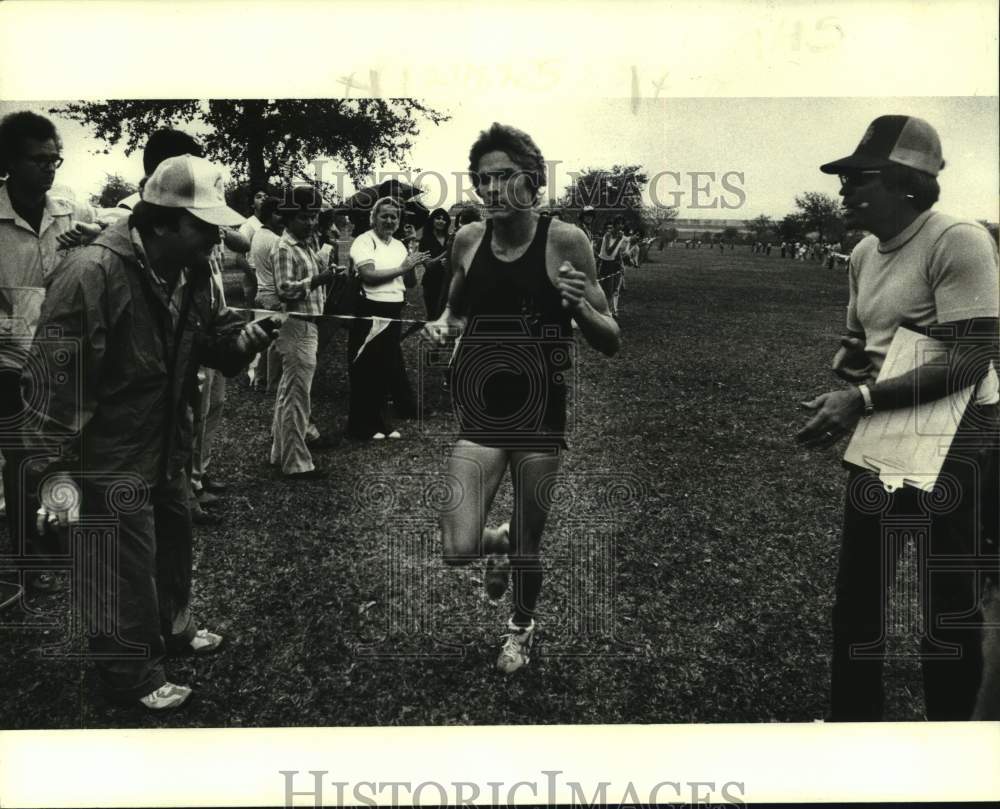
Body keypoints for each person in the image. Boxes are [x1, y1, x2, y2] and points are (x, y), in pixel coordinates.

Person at [27, 154, 276, 710]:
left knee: (172, 542)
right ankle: (129, 672)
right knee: (120, 564)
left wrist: (250, 340)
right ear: (162, 221)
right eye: (204, 226)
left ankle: (172, 627)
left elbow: (213, 346)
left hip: (167, 443)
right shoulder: (90, 274)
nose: (215, 237)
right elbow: (50, 388)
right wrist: (50, 478)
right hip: (108, 451)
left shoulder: (188, 271)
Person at [796, 115, 999, 721]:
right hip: (886, 439)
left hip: (961, 444)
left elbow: (973, 361)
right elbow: (863, 337)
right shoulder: (862, 252)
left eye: (860, 177)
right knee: (857, 602)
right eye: (845, 177)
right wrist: (852, 358)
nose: (843, 189)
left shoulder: (957, 240)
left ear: (906, 182)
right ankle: (854, 731)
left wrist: (859, 400)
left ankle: (954, 752)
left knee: (948, 611)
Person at [424, 123, 620, 673]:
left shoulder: (566, 240)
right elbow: (454, 311)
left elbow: (611, 339)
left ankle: (520, 628)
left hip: (539, 414)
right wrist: (444, 326)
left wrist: (581, 306)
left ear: (532, 181)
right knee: (456, 547)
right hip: (479, 411)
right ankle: (497, 541)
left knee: (529, 548)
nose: (490, 190)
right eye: (482, 180)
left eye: (504, 176)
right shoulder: (466, 240)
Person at [0, 110, 96, 600]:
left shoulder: (68, 212)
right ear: (9, 162)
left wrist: (90, 245)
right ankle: (29, 562)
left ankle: (57, 547)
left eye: (55, 159)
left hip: (61, 357)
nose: (49, 168)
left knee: (62, 453)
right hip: (8, 362)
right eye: (38, 159)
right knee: (21, 460)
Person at [346, 197, 429, 440]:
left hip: (394, 310)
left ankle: (381, 422)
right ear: (374, 218)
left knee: (385, 367)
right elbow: (369, 275)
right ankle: (361, 425)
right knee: (365, 368)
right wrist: (404, 267)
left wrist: (412, 255)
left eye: (394, 216)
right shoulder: (364, 241)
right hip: (370, 309)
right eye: (385, 216)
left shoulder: (399, 245)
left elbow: (411, 283)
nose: (390, 221)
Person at [270, 186, 338, 479]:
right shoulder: (285, 247)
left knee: (288, 393)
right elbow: (284, 289)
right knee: (298, 397)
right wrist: (318, 279)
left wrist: (328, 274)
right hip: (296, 323)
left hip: (308, 323)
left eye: (312, 217)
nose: (310, 223)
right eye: (303, 217)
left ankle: (279, 453)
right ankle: (296, 462)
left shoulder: (305, 244)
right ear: (288, 217)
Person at [249, 196, 284, 392]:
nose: (283, 218)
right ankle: (272, 383)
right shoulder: (275, 240)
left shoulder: (258, 235)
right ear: (269, 216)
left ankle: (259, 379)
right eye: (278, 214)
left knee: (263, 341)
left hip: (261, 291)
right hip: (272, 295)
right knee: (274, 344)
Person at [417, 207, 451, 321]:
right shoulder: (425, 240)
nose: (441, 221)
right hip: (432, 283)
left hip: (449, 283)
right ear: (432, 220)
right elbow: (429, 265)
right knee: (433, 316)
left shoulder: (450, 238)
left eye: (444, 219)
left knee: (447, 317)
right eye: (438, 218)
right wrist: (446, 252)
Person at [596, 218, 626, 318]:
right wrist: (618, 239)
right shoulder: (608, 235)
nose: (620, 226)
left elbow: (617, 251)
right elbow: (608, 252)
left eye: (622, 224)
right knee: (605, 289)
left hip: (613, 263)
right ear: (614, 225)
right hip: (603, 263)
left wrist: (621, 264)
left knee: (614, 289)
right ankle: (604, 312)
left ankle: (612, 311)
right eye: (618, 224)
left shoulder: (621, 236)